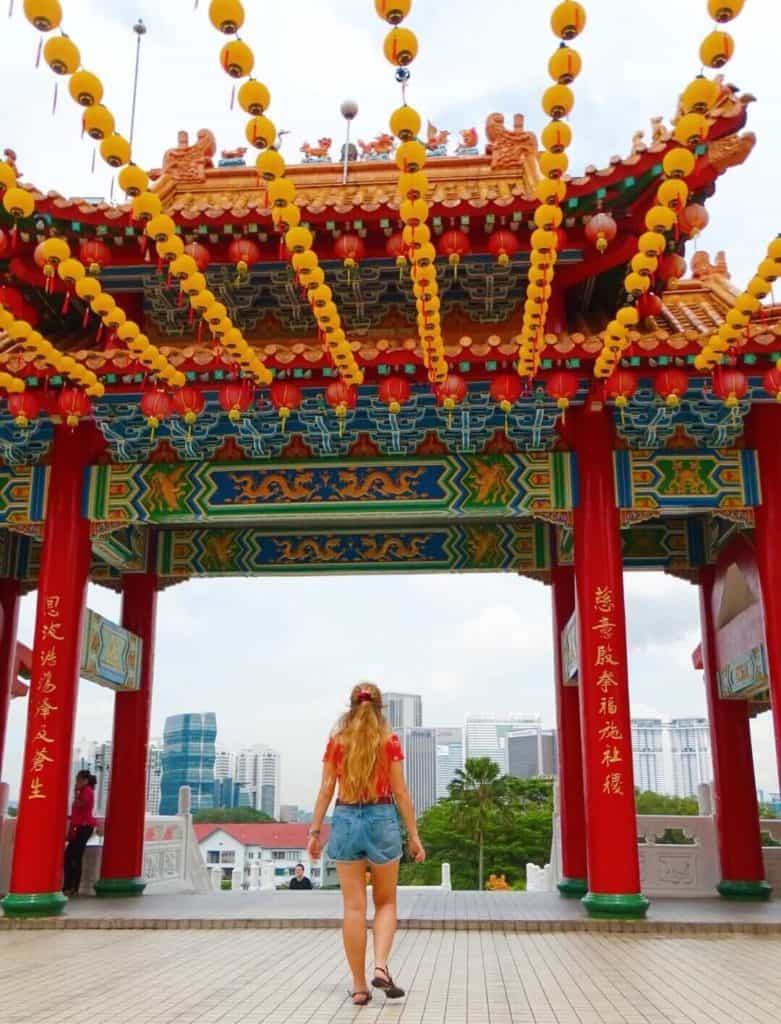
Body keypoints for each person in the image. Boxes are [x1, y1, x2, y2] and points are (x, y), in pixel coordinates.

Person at [307, 682, 425, 1008]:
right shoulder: (389, 741)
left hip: (345, 819)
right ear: (379, 707)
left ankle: (360, 987)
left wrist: (314, 833)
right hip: (382, 816)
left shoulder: (337, 742)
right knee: (386, 902)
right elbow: (401, 793)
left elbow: (325, 790)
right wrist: (414, 836)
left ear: (351, 706)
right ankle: (381, 966)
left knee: (353, 907)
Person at [63, 770, 97, 897]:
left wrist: (75, 793)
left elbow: (81, 805)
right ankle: (70, 886)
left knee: (74, 857)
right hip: (80, 827)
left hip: (84, 827)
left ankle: (72, 887)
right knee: (70, 856)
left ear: (85, 780)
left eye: (78, 780)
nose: (76, 782)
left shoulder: (87, 791)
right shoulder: (83, 791)